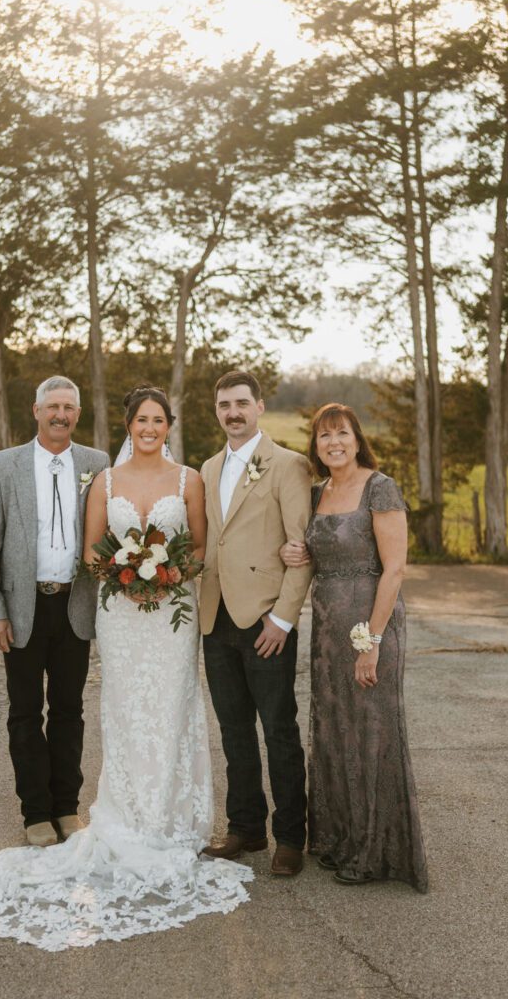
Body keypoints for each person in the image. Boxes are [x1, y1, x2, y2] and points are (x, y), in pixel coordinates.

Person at [0, 386, 251, 950]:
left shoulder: (148, 473)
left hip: (151, 612)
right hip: (89, 607)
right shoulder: (55, 472)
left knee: (128, 710)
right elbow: (60, 548)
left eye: (157, 419)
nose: (149, 427)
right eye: (140, 419)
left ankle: (116, 815)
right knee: (46, 711)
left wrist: (161, 575)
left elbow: (196, 545)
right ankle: (42, 814)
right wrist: (127, 576)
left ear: (168, 424)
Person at [280, 402, 428, 891]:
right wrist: (294, 550)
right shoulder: (319, 491)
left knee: (371, 733)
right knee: (335, 731)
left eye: (341, 433)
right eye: (324, 436)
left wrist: (372, 643)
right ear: (316, 446)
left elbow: (395, 569)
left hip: (370, 623)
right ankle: (340, 839)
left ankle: (374, 852)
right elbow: (312, 554)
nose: (333, 443)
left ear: (357, 438)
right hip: (326, 628)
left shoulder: (379, 487)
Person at [0, 375, 109, 846]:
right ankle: (35, 813)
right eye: (52, 406)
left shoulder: (98, 463)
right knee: (26, 712)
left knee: (70, 710)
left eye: (68, 407)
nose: (60, 415)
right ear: (36, 412)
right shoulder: (2, 465)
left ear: (77, 414)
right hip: (22, 608)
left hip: (75, 605)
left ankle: (67, 809)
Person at [200, 371, 313, 877]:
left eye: (242, 403)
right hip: (215, 617)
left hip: (266, 621)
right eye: (225, 405)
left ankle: (290, 837)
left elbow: (302, 550)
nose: (233, 413)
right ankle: (245, 827)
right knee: (233, 731)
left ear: (260, 407)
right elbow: (211, 543)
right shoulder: (206, 468)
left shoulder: (289, 465)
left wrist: (283, 620)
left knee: (279, 731)